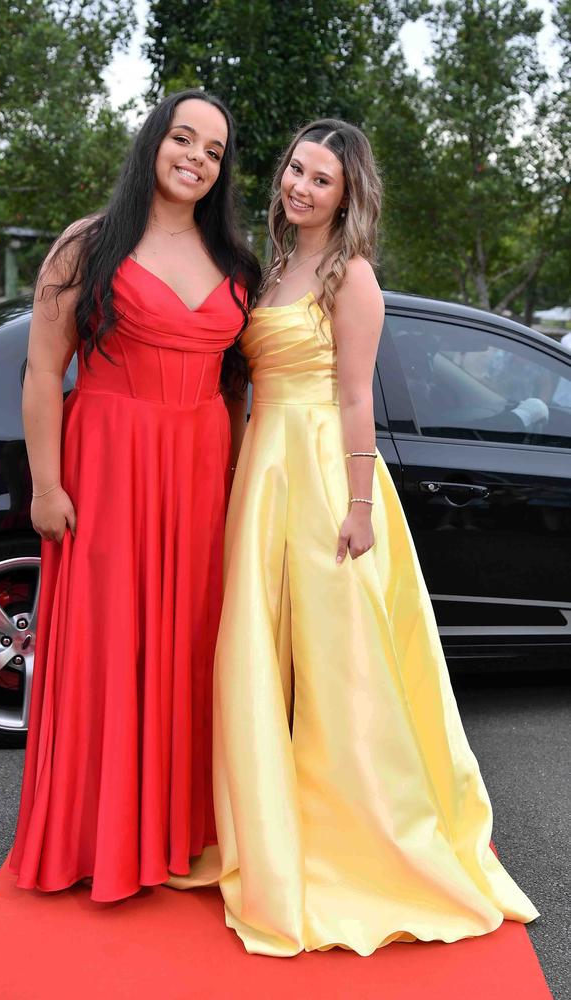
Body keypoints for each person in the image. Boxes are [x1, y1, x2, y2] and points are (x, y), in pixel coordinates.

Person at [211, 119, 539, 956]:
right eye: (295, 170)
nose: (301, 187)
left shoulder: (350, 277)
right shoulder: (274, 266)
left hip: (323, 474)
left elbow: (358, 398)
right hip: (265, 471)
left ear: (347, 194)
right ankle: (265, 819)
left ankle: (353, 832)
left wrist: (359, 505)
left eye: (322, 180)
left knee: (338, 665)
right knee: (262, 651)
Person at [9, 90, 260, 902]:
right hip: (108, 467)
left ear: (222, 171)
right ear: (154, 141)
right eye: (183, 138)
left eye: (214, 150)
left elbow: (239, 388)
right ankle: (94, 840)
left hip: (196, 475)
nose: (196, 157)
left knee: (184, 650)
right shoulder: (90, 244)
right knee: (107, 648)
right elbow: (45, 370)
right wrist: (47, 485)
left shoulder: (236, 261)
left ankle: (172, 835)